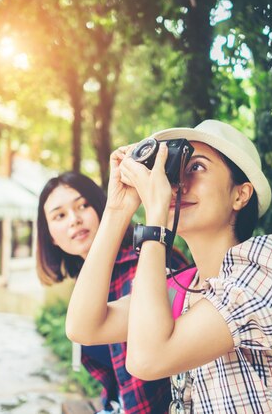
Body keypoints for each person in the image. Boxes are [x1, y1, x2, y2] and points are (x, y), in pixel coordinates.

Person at [66, 120, 272, 413]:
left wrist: (156, 219)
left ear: (240, 194)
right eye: (174, 172)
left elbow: (147, 359)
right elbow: (83, 326)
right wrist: (117, 209)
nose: (178, 184)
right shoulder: (181, 290)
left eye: (197, 167)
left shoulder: (269, 265)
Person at [36, 172, 187, 413]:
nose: (74, 219)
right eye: (60, 216)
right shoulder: (87, 283)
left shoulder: (148, 263)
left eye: (83, 205)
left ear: (100, 207)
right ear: (50, 237)